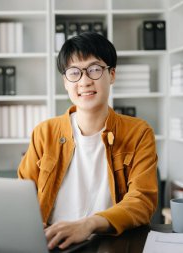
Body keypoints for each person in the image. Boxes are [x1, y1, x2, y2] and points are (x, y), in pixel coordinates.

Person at [17, 32, 158, 250]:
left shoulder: (138, 133)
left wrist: (88, 224)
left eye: (94, 69)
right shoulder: (44, 133)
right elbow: (20, 198)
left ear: (111, 75)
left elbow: (142, 201)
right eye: (74, 72)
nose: (84, 81)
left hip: (112, 244)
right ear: (65, 82)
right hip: (54, 243)